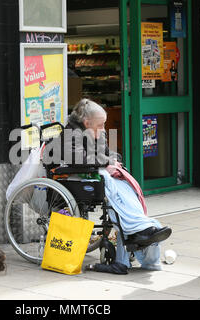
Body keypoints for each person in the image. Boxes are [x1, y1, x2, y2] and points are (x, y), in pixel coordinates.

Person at [47, 98, 172, 273]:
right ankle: (140, 230)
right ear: (87, 123)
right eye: (101, 125)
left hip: (95, 175)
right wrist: (106, 163)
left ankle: (140, 231)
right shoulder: (70, 135)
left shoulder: (96, 132)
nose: (104, 129)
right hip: (75, 176)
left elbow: (108, 152)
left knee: (125, 185)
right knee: (110, 182)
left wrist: (113, 159)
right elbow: (79, 159)